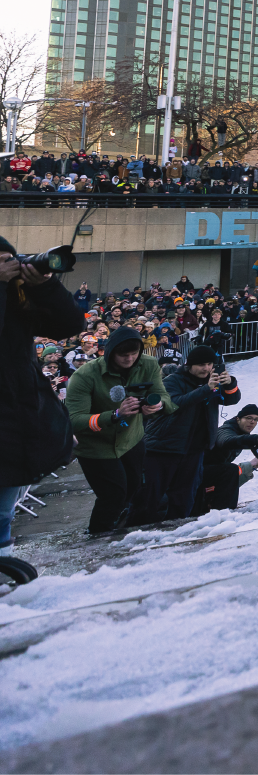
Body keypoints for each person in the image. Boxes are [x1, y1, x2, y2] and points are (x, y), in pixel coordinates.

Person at [0, 240, 86, 582]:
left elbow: (69, 325)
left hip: (15, 414)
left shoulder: (17, 298)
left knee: (4, 505)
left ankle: (3, 566)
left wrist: (46, 285)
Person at [64, 327, 175, 534]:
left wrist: (157, 406)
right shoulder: (85, 375)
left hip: (131, 440)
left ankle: (118, 527)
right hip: (96, 447)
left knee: (131, 489)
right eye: (124, 355)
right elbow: (74, 419)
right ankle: (98, 538)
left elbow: (163, 396)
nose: (130, 359)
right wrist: (114, 415)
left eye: (134, 354)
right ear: (110, 353)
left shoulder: (149, 364)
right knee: (112, 495)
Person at [141, 345, 240, 523]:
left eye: (210, 364)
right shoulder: (173, 380)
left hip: (195, 449)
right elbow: (174, 404)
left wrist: (230, 383)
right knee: (151, 496)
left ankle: (176, 531)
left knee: (185, 496)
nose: (207, 368)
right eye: (201, 364)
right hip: (165, 447)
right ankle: (136, 529)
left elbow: (232, 400)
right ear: (189, 365)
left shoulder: (211, 382)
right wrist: (206, 389)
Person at [200, 404, 258, 511]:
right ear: (238, 419)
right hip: (195, 474)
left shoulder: (240, 433)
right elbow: (227, 441)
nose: (252, 422)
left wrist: (253, 464)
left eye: (256, 419)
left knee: (231, 472)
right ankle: (222, 513)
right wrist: (257, 439)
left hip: (207, 477)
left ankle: (217, 509)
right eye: (248, 418)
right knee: (231, 470)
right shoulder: (225, 430)